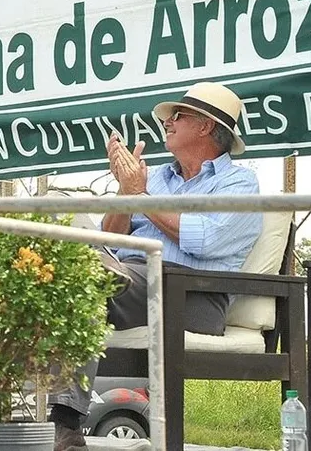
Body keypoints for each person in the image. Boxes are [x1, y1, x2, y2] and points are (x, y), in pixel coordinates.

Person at [50, 82, 262, 451]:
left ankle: (64, 426)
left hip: (192, 293)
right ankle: (54, 423)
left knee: (88, 275)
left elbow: (204, 239)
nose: (167, 121)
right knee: (66, 251)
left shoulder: (239, 182)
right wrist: (124, 194)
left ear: (206, 126)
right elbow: (112, 239)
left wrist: (140, 195)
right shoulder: (157, 177)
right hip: (132, 280)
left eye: (177, 115)